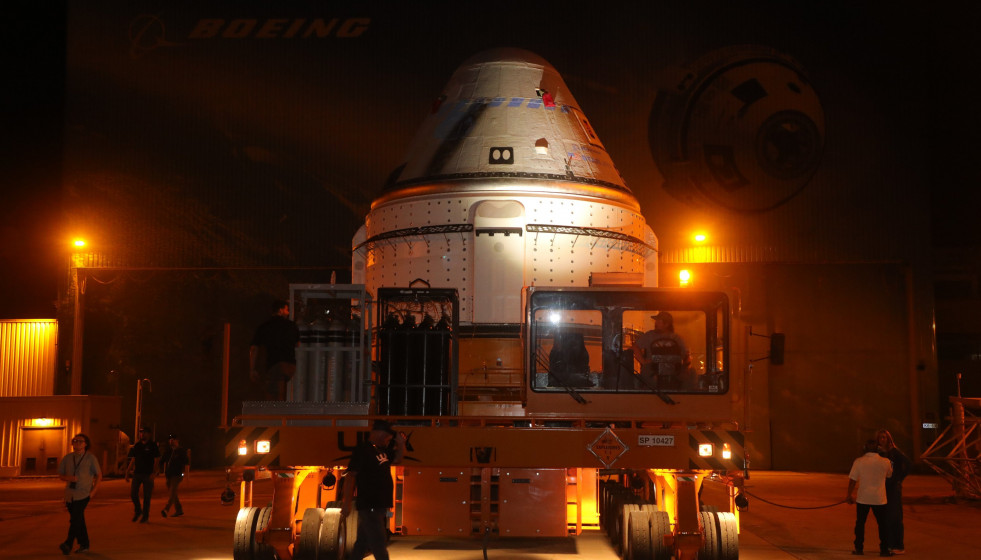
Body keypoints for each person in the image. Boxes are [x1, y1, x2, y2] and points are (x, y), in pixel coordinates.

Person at [340, 419, 406, 560]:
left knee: (362, 543)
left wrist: (401, 444)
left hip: (378, 505)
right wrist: (346, 503)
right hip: (370, 504)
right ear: (379, 433)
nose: (388, 440)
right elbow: (351, 476)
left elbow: (398, 459)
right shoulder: (363, 450)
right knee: (378, 541)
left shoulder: (381, 450)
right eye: (387, 436)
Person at [846, 439, 894, 556]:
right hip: (880, 498)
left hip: (863, 498)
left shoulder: (859, 461)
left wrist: (849, 495)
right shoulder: (886, 462)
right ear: (878, 449)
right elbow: (889, 474)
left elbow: (853, 480)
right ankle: (884, 550)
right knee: (882, 525)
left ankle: (859, 548)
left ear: (864, 448)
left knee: (860, 523)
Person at [57, 433, 101, 555]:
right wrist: (68, 478)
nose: (77, 443)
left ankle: (68, 543)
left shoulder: (90, 458)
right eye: (75, 441)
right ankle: (84, 544)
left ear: (86, 444)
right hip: (70, 495)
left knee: (75, 519)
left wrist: (93, 492)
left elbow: (99, 475)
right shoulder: (67, 458)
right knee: (78, 520)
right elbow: (60, 475)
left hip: (83, 494)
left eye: (80, 441)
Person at [250, 299, 300, 400]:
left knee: (273, 396)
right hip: (291, 366)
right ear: (280, 310)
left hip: (275, 364)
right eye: (286, 310)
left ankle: (275, 413)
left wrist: (252, 369)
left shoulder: (264, 327)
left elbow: (254, 348)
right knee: (285, 390)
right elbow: (298, 344)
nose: (288, 312)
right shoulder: (291, 325)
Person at [631, 311, 691, 389]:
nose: (656, 323)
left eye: (659, 321)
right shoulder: (649, 335)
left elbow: (686, 355)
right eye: (656, 321)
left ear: (667, 324)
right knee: (646, 375)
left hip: (674, 370)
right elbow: (635, 347)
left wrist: (685, 367)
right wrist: (643, 362)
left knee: (691, 373)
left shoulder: (676, 338)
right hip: (652, 368)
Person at [877, 429, 911, 555]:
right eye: (880, 438)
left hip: (893, 489)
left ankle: (899, 545)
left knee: (895, 517)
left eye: (884, 437)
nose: (882, 440)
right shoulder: (879, 454)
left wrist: (899, 478)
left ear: (889, 439)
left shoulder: (894, 452)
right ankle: (889, 544)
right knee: (885, 518)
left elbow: (908, 464)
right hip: (882, 487)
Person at [125, 427, 160, 523]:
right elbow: (133, 459)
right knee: (133, 494)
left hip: (148, 474)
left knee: (147, 497)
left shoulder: (153, 445)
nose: (142, 435)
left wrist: (154, 472)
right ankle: (138, 511)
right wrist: (127, 472)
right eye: (141, 433)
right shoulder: (137, 445)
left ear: (149, 434)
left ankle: (145, 516)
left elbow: (157, 460)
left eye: (144, 433)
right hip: (137, 474)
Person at [160, 434, 191, 518]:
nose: (171, 441)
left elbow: (187, 463)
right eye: (170, 439)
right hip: (169, 475)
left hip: (177, 475)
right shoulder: (168, 451)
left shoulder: (181, 451)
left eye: (173, 439)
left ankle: (166, 509)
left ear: (177, 440)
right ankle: (179, 510)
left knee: (172, 491)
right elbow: (162, 461)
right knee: (173, 493)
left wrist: (186, 475)